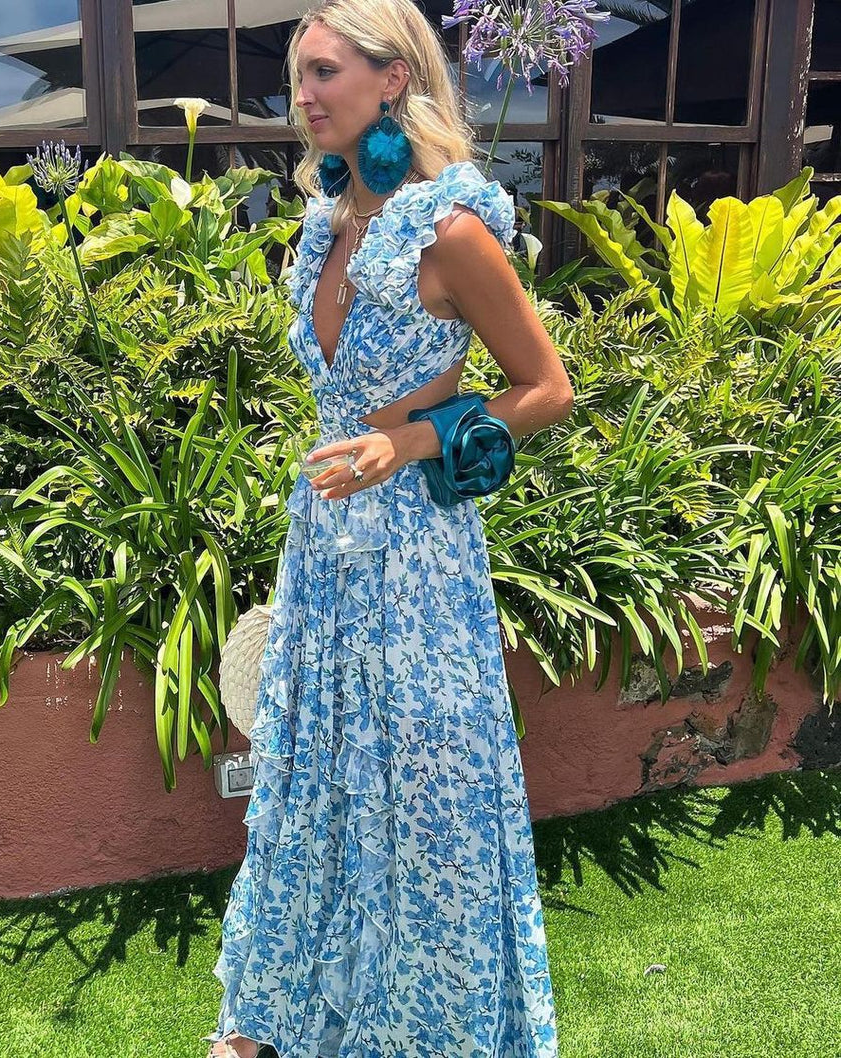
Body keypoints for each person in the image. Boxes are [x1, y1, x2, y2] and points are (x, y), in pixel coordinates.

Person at [204, 1, 574, 1055]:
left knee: (424, 798)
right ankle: (285, 1018)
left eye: (323, 73)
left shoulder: (451, 227)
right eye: (296, 76)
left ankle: (435, 1029)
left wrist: (407, 443)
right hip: (322, 547)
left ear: (392, 79)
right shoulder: (324, 226)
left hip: (416, 554)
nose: (303, 97)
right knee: (315, 780)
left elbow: (546, 387)